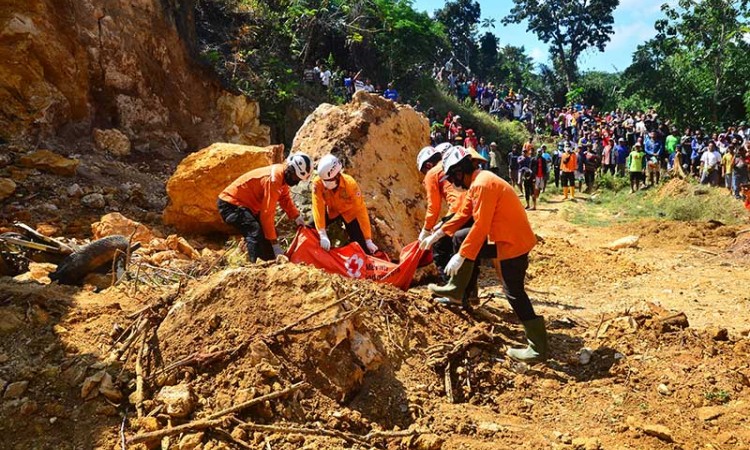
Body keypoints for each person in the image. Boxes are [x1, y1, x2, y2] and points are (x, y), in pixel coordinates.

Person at [420, 147, 545, 362]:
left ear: (461, 172)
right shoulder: (478, 182)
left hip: (512, 244)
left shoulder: (482, 184)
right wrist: (438, 234)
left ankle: (538, 347)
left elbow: (481, 226)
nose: (454, 183)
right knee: (459, 236)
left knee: (513, 292)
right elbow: (462, 214)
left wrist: (460, 256)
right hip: (505, 239)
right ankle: (456, 290)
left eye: (454, 177)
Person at [218, 153, 313, 262]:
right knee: (255, 232)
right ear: (291, 169)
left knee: (268, 236)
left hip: (246, 206)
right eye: (296, 178)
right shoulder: (274, 179)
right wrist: (275, 245)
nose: (296, 183)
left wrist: (296, 217)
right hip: (230, 204)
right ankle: (255, 268)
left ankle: (269, 264)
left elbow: (285, 199)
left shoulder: (282, 176)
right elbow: (267, 213)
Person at [312, 154, 379, 255]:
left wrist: (367, 239)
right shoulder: (318, 183)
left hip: (349, 213)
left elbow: (360, 210)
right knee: (309, 227)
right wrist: (322, 233)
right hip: (331, 211)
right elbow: (318, 207)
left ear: (337, 176)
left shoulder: (350, 184)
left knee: (361, 246)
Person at [416, 143, 462, 281]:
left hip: (458, 210)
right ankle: (469, 292)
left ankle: (448, 286)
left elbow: (433, 207)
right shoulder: (449, 165)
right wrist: (440, 225)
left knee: (440, 248)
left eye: (424, 171)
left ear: (428, 165)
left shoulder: (432, 173)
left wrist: (426, 229)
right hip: (470, 208)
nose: (425, 175)